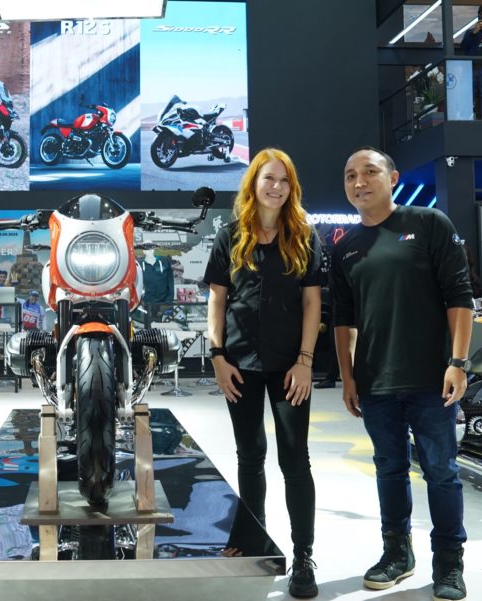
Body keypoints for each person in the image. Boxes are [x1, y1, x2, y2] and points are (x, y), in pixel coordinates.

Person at [333, 147, 472, 601]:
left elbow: (459, 296)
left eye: (369, 172)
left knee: (441, 472)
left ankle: (449, 561)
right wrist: (348, 377)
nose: (359, 182)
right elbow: (343, 319)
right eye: (350, 176)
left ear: (392, 177)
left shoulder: (429, 223)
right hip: (375, 381)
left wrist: (458, 362)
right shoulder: (346, 245)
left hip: (432, 378)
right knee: (389, 469)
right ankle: (397, 553)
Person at [204, 147, 323, 599]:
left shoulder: (303, 237)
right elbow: (218, 299)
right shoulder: (231, 236)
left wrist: (305, 361)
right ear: (253, 184)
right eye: (268, 178)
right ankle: (253, 538)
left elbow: (312, 303)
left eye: (284, 180)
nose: (276, 187)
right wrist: (217, 356)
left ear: (292, 188)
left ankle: (303, 556)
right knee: (250, 455)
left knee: (295, 460)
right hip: (239, 366)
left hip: (291, 367)